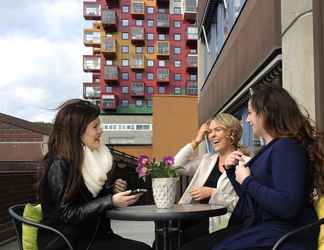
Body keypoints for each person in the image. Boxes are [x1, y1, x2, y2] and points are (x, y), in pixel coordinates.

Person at [180, 83, 324, 250]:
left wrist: (247, 180)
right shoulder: (276, 148)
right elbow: (251, 198)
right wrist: (233, 172)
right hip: (265, 230)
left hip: (282, 236)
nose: (247, 120)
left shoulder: (287, 148)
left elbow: (287, 206)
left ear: (265, 113)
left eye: (250, 113)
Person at [37, 99, 151, 250]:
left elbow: (86, 201)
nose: (100, 130)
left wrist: (112, 192)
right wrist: (110, 201)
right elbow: (65, 214)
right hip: (66, 242)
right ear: (77, 131)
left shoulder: (88, 161)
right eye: (95, 126)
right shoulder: (59, 162)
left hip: (89, 237)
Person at [155, 113, 250, 249]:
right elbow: (173, 167)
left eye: (218, 130)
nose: (211, 135)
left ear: (232, 133)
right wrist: (196, 141)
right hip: (191, 217)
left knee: (175, 242)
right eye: (210, 132)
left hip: (219, 224)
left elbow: (244, 205)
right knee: (161, 240)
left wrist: (213, 193)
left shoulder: (245, 163)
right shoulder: (207, 159)